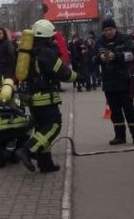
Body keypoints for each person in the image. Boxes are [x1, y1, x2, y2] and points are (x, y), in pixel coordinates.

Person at [15, 19, 77, 173]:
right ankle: (27, 150)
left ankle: (45, 164)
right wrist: (78, 77)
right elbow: (64, 73)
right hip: (45, 98)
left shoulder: (28, 51)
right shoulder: (47, 52)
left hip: (32, 98)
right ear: (49, 36)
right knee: (53, 126)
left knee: (42, 129)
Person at [95, 17, 134, 145]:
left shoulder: (125, 39)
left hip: (124, 80)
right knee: (115, 111)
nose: (108, 32)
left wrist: (116, 56)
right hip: (109, 82)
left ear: (115, 29)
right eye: (105, 30)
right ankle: (120, 136)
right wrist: (100, 58)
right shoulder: (99, 42)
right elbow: (93, 58)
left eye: (110, 29)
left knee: (129, 109)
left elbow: (132, 55)